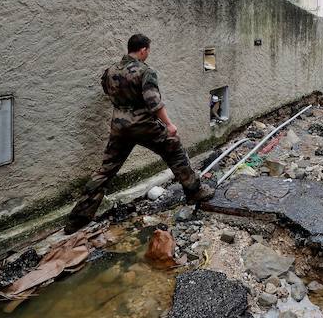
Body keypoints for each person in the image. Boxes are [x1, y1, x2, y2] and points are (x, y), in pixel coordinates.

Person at [65, 33, 214, 234]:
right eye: (148, 51)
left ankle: (78, 219)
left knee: (106, 169)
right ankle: (194, 191)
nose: (148, 54)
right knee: (174, 149)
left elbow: (107, 91)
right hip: (144, 125)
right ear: (143, 50)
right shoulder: (145, 71)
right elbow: (154, 102)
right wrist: (169, 125)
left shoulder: (109, 71)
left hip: (119, 126)